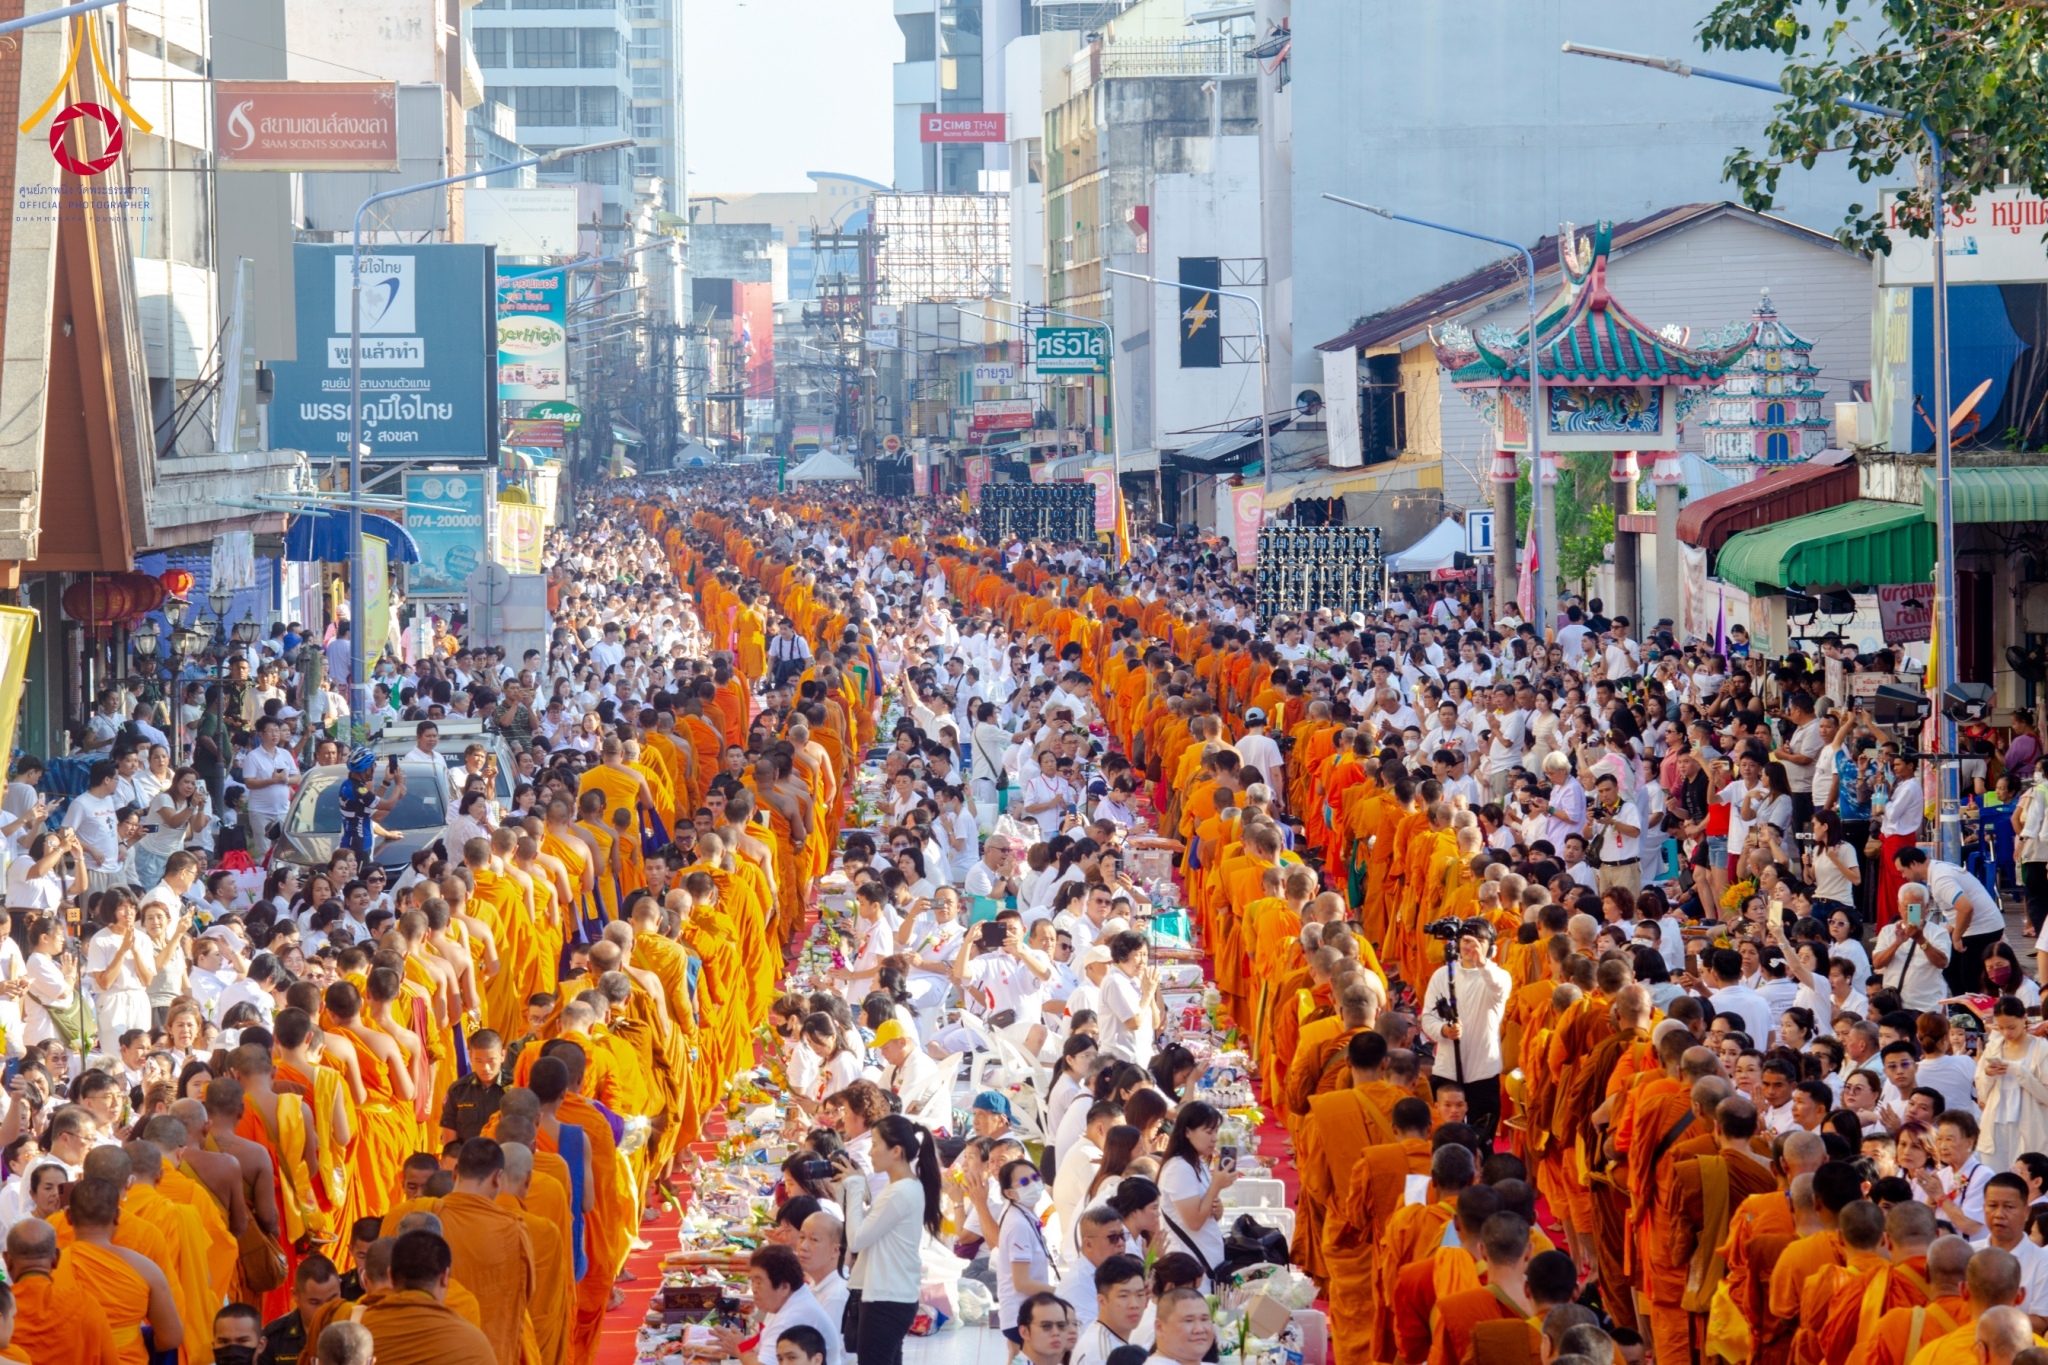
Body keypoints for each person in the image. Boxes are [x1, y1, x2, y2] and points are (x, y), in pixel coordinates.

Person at [838, 1113, 942, 1365]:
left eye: (875, 1144)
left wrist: (853, 1188)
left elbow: (857, 1239)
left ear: (896, 1151)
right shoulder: (902, 1186)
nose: (870, 1152)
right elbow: (869, 1229)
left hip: (886, 1299)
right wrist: (856, 1187)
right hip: (891, 1295)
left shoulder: (901, 1191)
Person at [1418, 918, 1512, 1140]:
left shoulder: (1498, 977)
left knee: (1482, 1140)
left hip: (1483, 1072)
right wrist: (1443, 1030)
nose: (1473, 947)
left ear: (1492, 948)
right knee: (1443, 1137)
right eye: (1469, 941)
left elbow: (1498, 988)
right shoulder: (1442, 975)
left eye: (1480, 941)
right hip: (1448, 1070)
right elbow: (1428, 1017)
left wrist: (1481, 963)